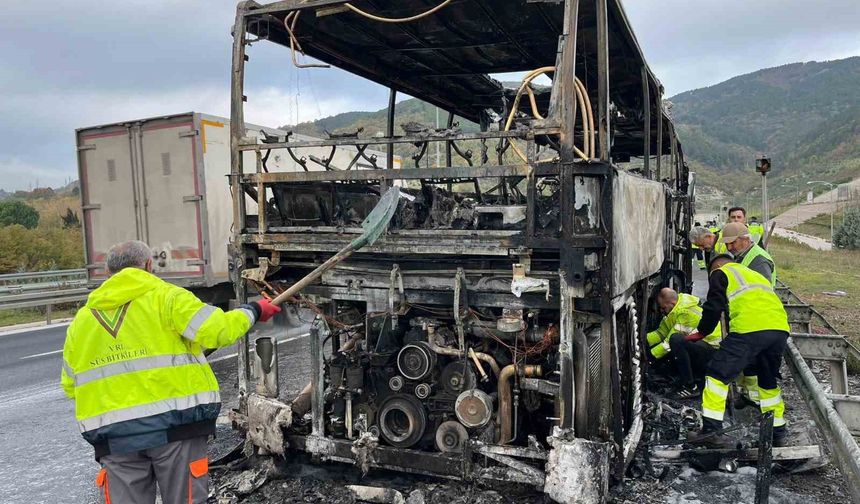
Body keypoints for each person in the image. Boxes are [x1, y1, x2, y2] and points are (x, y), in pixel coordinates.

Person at [61, 240, 281, 503]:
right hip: (175, 430)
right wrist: (255, 310)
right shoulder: (168, 299)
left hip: (114, 441)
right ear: (148, 265)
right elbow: (217, 330)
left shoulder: (82, 322)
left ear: (108, 273)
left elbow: (70, 385)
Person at [685, 255, 791, 448]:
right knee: (767, 381)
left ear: (715, 267)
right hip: (779, 329)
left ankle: (711, 431)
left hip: (749, 329)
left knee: (717, 374)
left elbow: (713, 307)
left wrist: (702, 332)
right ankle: (777, 433)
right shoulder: (755, 275)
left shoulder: (721, 272)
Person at [646, 288, 721, 398]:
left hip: (714, 352)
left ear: (672, 303)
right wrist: (641, 340)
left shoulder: (685, 312)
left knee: (676, 341)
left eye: (663, 308)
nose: (661, 311)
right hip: (702, 346)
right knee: (676, 343)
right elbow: (660, 333)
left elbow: (667, 345)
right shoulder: (674, 309)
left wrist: (648, 358)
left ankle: (690, 387)